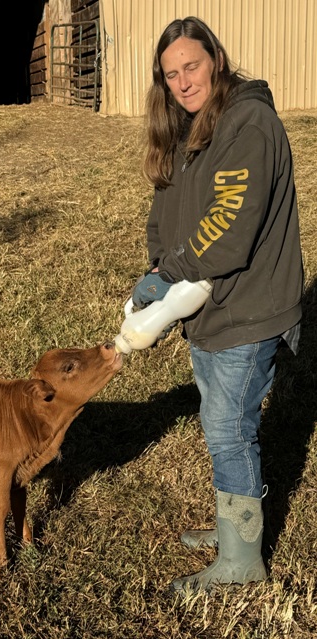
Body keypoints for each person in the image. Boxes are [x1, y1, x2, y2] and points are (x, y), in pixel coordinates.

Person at [130, 16, 304, 594]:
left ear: (217, 60)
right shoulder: (188, 127)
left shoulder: (247, 124)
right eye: (171, 74)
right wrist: (158, 265)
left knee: (230, 430)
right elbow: (166, 211)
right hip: (206, 303)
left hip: (246, 307)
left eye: (192, 66)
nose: (183, 82)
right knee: (220, 422)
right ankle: (236, 528)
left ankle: (242, 562)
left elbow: (228, 229)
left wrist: (173, 271)